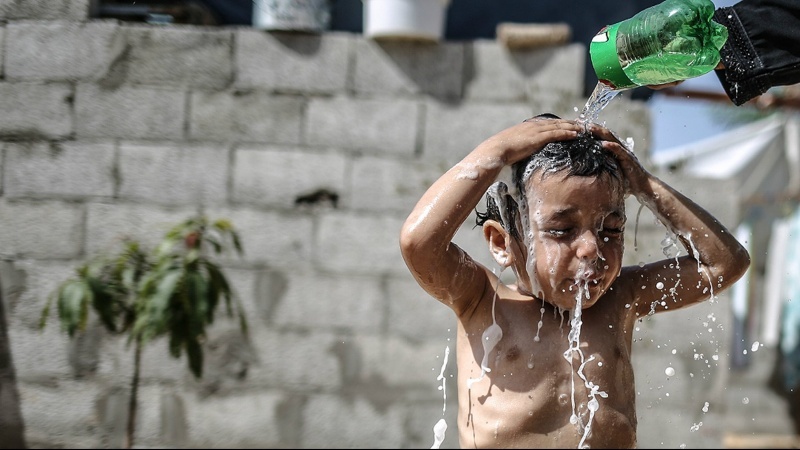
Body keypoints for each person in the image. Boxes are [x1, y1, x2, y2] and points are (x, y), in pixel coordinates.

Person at [398, 114, 751, 448]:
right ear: (503, 243)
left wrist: (644, 185)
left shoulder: (621, 297)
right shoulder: (481, 300)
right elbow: (419, 244)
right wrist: (496, 153)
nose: (592, 249)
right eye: (562, 230)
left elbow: (725, 263)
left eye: (611, 230)